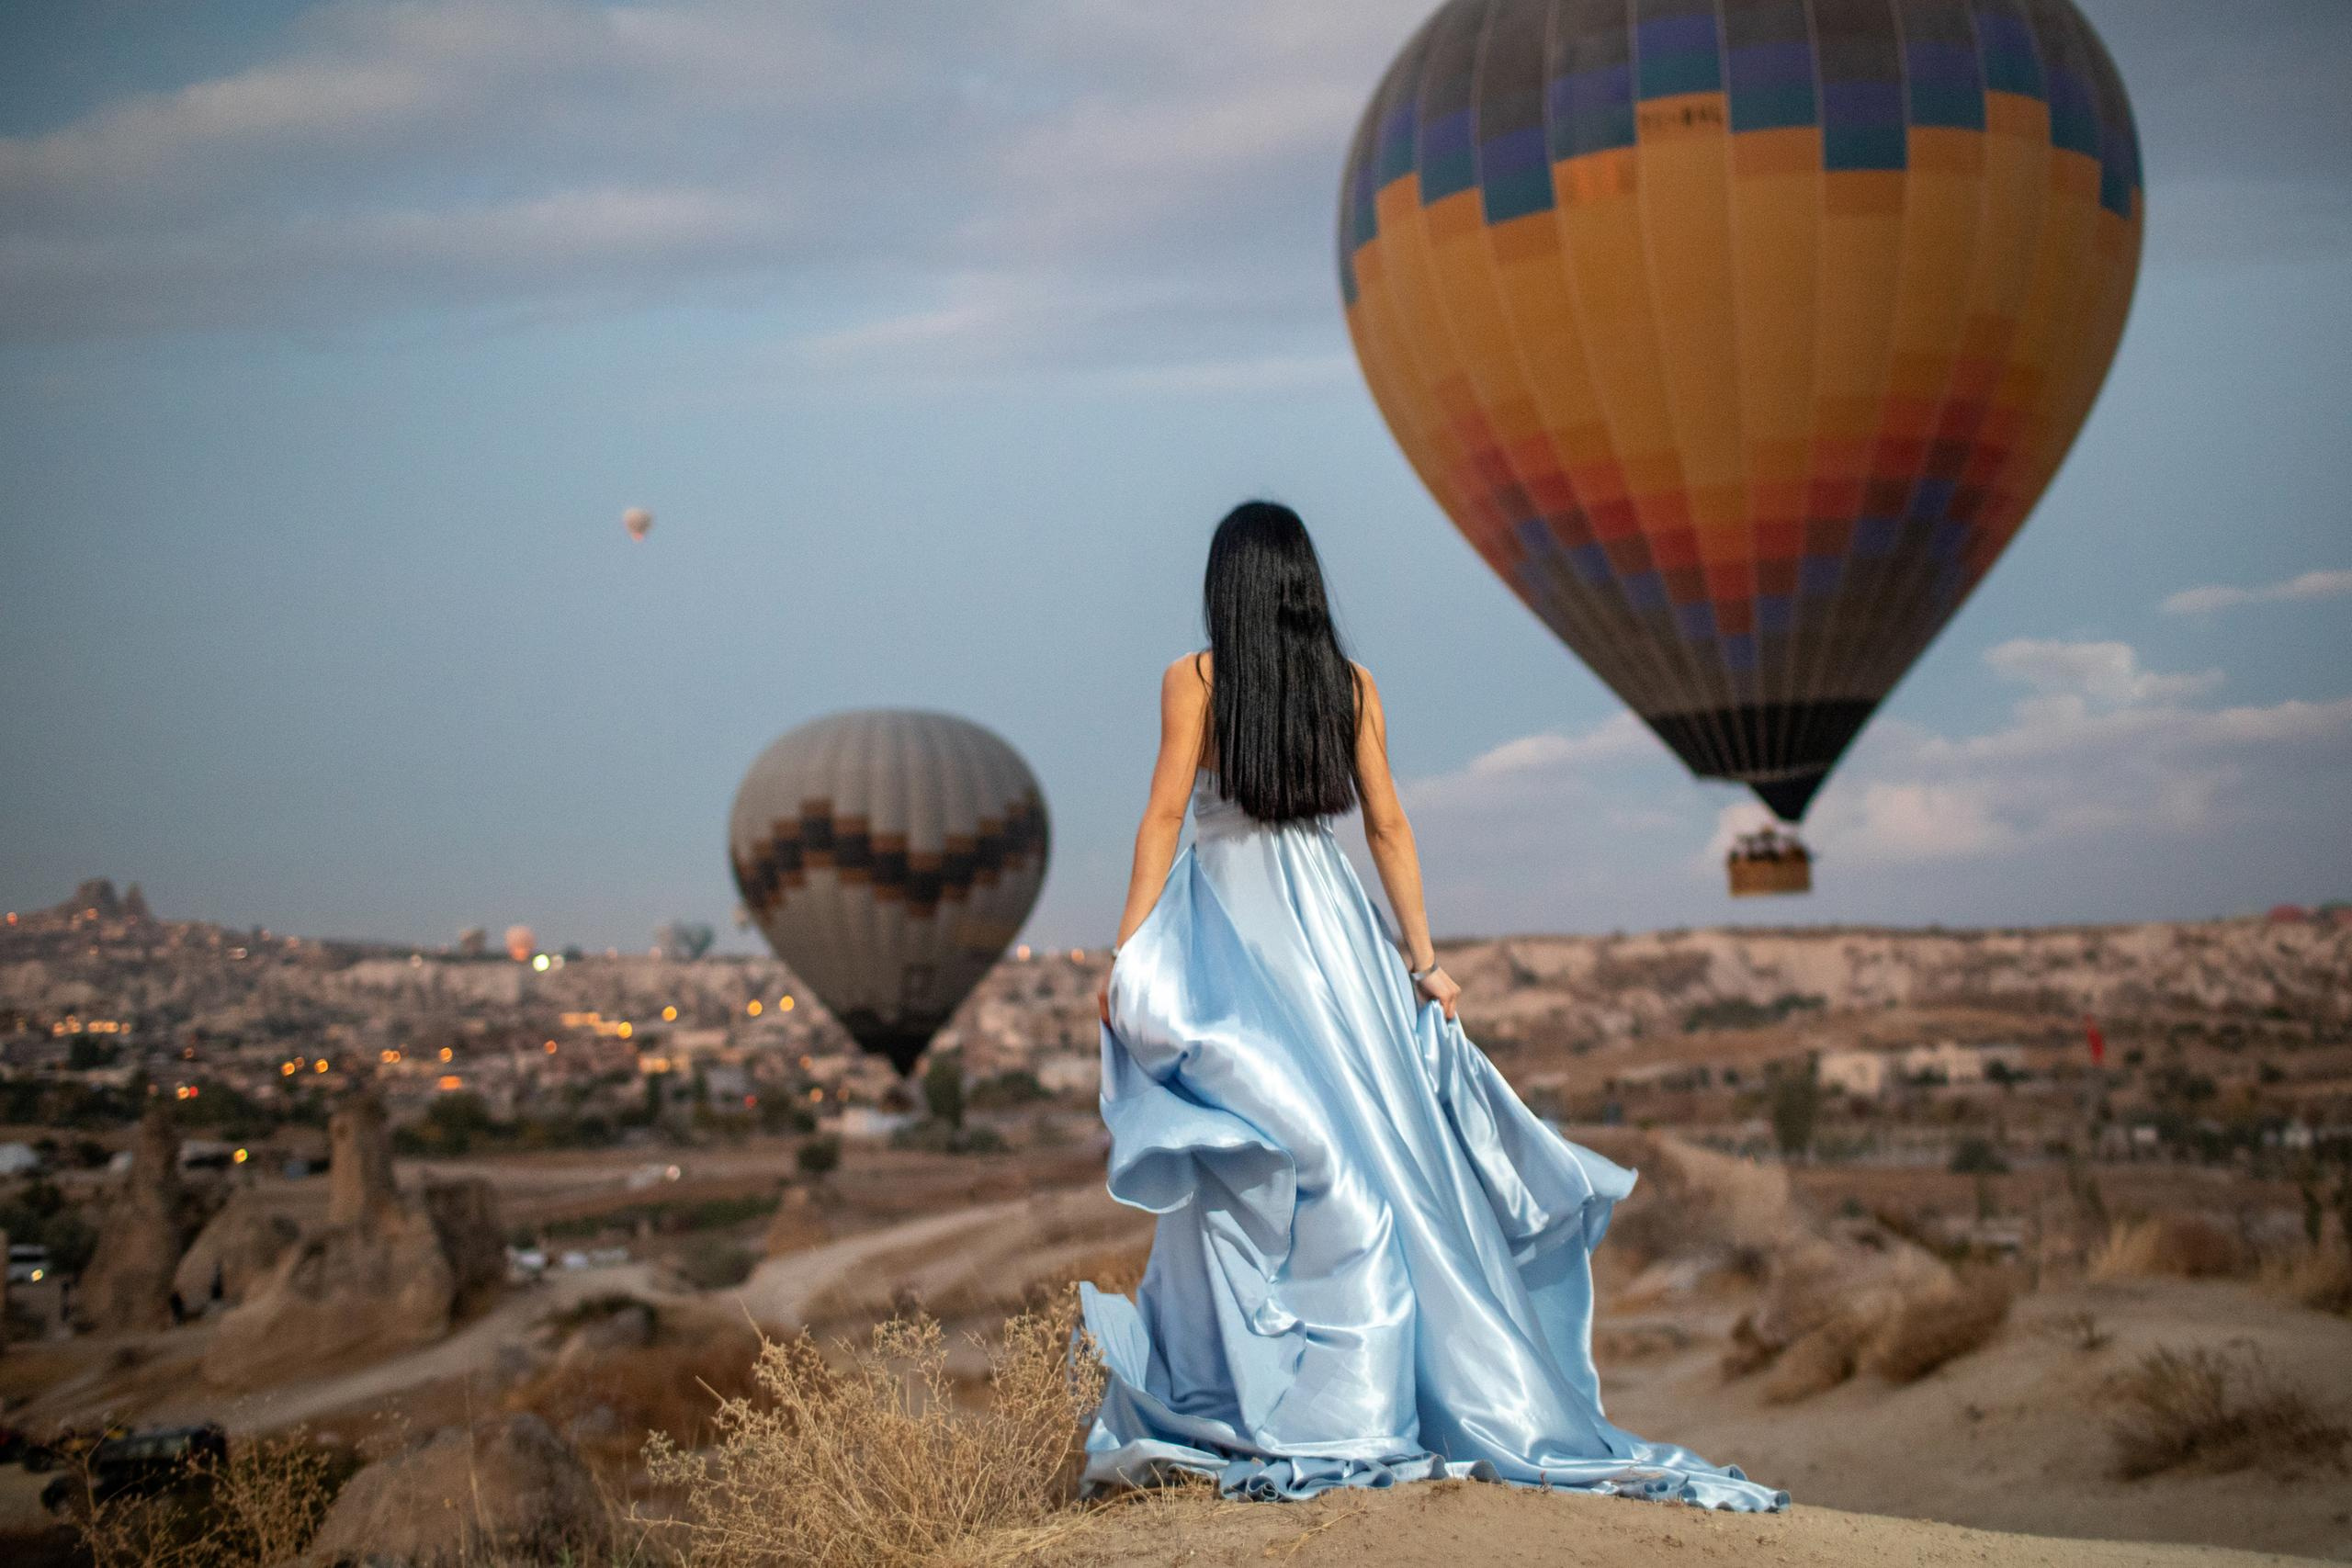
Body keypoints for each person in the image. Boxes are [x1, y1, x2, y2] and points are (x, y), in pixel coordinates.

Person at [1079, 502, 1785, 1510]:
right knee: (1372, 1150)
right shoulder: (1352, 687)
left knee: (1252, 1150)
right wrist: (1421, 962)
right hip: (1336, 931)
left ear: (1224, 585)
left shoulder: (1192, 679)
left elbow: (1160, 814)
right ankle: (1387, 1389)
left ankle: (1282, 1389)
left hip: (1229, 934)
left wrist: (1131, 951)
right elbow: (1390, 828)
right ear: (1304, 584)